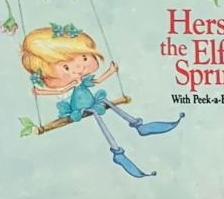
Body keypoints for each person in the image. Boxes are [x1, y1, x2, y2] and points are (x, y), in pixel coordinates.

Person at [20, 22, 179, 179]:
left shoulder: (83, 80)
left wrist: (110, 71)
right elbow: (60, 90)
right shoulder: (73, 83)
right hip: (81, 108)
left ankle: (138, 125)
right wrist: (41, 91)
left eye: (84, 57)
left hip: (92, 102)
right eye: (66, 67)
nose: (79, 68)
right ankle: (117, 151)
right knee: (97, 115)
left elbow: (98, 81)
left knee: (107, 101)